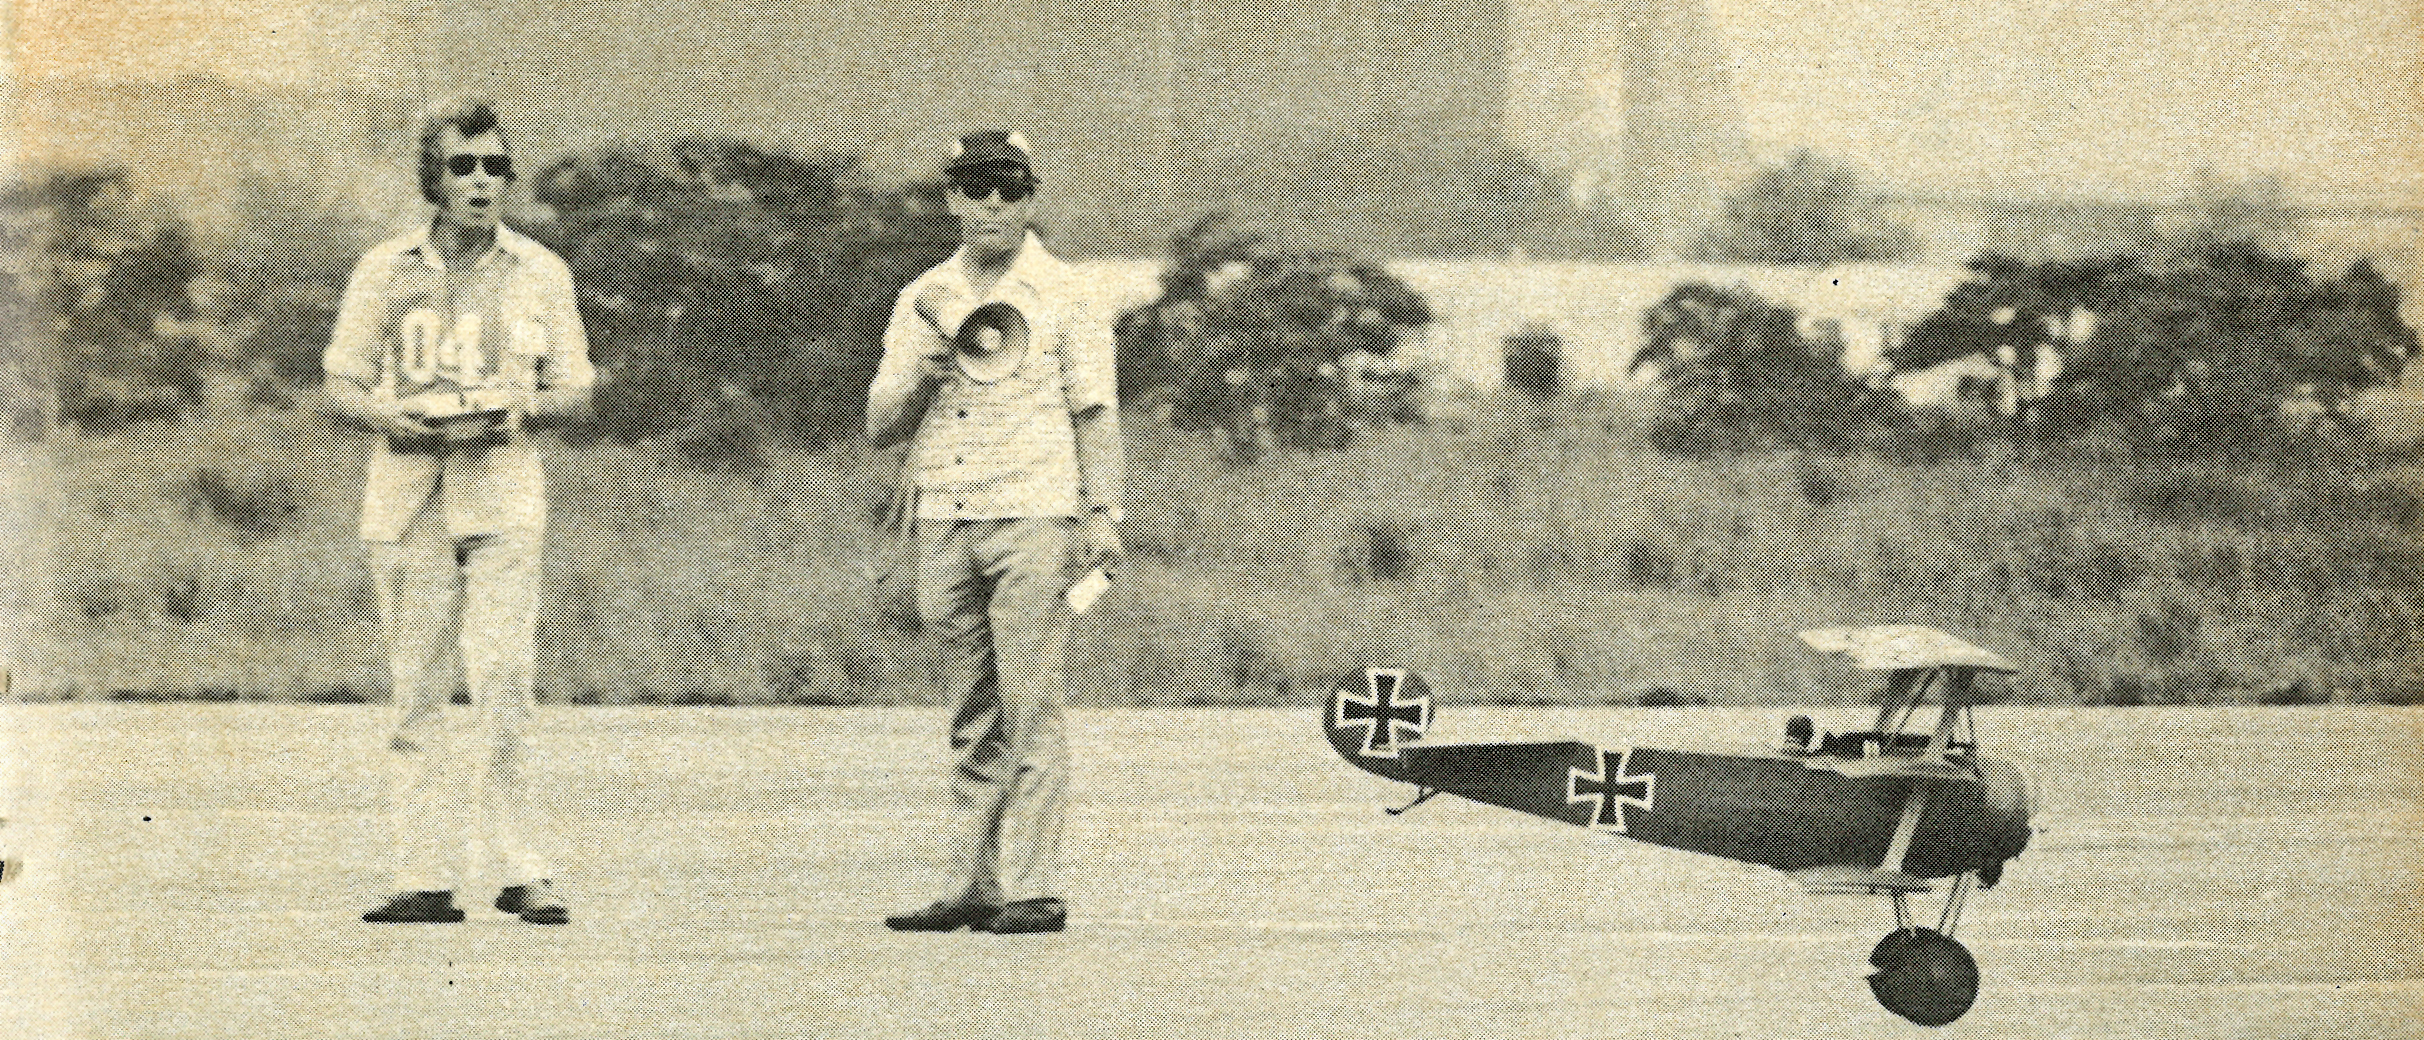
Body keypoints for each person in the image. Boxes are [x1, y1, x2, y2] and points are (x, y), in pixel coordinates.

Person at [322, 100, 594, 925]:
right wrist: (383, 419)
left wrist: (521, 413)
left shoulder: (539, 271)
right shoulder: (385, 269)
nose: (481, 182)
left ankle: (520, 869)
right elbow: (341, 378)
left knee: (504, 678)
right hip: (409, 494)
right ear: (433, 180)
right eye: (462, 167)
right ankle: (422, 875)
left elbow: (577, 388)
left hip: (503, 487)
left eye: (494, 167)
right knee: (417, 689)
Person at [867, 131, 1125, 935]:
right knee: (970, 706)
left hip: (1034, 511)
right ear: (951, 198)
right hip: (946, 511)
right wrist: (922, 374)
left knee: (1032, 699)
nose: (992, 205)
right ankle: (971, 883)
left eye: (1009, 188)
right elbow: (878, 423)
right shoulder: (925, 296)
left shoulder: (1067, 293)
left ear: (1031, 198)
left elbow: (1096, 412)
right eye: (976, 188)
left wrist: (1104, 515)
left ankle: (1035, 884)